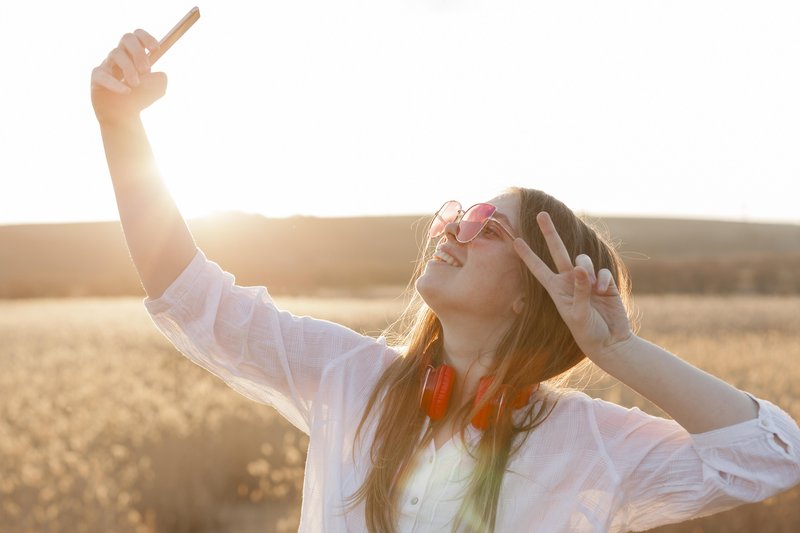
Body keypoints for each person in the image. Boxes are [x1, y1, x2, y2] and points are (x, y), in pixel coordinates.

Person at [91, 29, 800, 533]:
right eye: (460, 214)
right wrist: (120, 127)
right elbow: (190, 297)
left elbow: (772, 458)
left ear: (534, 292)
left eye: (490, 227)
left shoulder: (589, 439)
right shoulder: (348, 376)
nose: (454, 228)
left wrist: (617, 350)